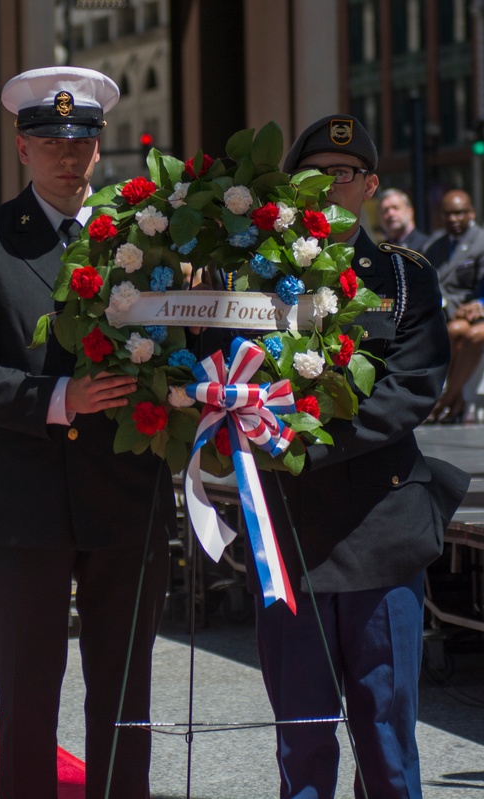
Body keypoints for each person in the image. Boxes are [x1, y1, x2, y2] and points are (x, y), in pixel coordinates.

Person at [0, 67, 175, 799]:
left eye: (81, 141)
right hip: (30, 503)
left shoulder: (145, 238)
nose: (67, 156)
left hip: (126, 498)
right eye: (48, 141)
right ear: (22, 148)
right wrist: (57, 396)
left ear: (99, 150)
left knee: (125, 697)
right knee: (29, 699)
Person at [254, 115, 468, 799]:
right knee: (303, 738)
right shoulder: (258, 279)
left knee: (386, 736)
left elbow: (412, 389)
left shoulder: (404, 278)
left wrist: (303, 442)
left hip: (381, 530)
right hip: (293, 537)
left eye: (343, 172)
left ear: (371, 186)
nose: (327, 184)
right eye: (311, 172)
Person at [423, 189, 484, 423]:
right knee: (457, 330)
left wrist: (478, 304)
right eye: (448, 214)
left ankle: (445, 401)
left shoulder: (480, 241)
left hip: (473, 313)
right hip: (452, 315)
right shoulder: (435, 246)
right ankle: (455, 402)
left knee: (471, 333)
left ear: (471, 213)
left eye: (459, 213)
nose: (453, 219)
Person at [377, 188, 429, 252]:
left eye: (395, 208)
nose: (390, 214)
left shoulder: (427, 246)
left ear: (410, 211)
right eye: (385, 210)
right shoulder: (379, 250)